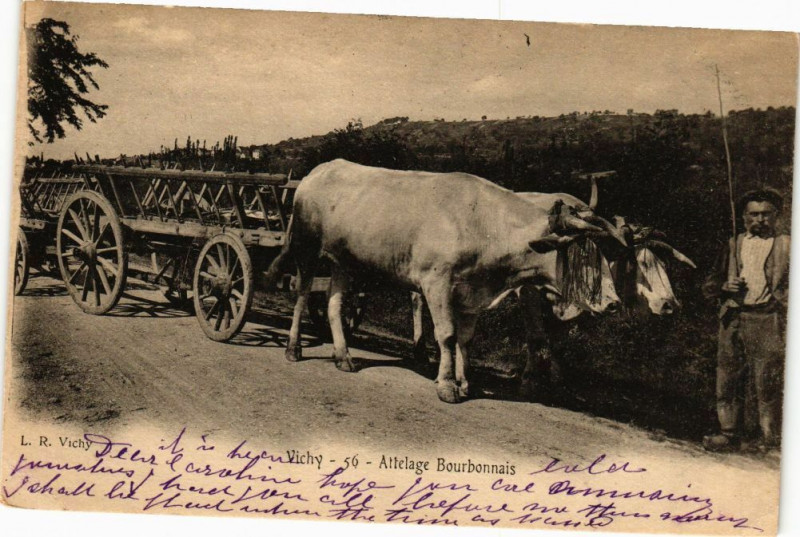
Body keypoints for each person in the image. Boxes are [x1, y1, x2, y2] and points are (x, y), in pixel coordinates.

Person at [701, 189, 789, 452]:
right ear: (743, 217)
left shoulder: (788, 244)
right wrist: (725, 287)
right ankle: (728, 434)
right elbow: (710, 284)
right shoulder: (732, 243)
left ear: (776, 217)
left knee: (767, 383)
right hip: (733, 318)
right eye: (754, 214)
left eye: (766, 214)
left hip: (768, 318)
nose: (760, 219)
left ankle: (769, 441)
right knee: (727, 378)